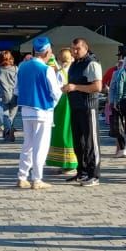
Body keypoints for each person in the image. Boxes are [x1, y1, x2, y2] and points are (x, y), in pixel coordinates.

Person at [16, 40, 63, 189]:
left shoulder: (22, 67)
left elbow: (16, 90)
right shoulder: (46, 69)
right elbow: (56, 92)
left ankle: (22, 176)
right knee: (40, 146)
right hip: (43, 110)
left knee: (27, 144)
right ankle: (37, 179)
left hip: (26, 110)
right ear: (47, 52)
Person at [64, 37, 103, 187]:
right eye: (72, 49)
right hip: (75, 106)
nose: (74, 52)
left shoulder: (92, 63)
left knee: (91, 142)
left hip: (88, 107)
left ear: (85, 48)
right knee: (78, 142)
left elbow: (97, 87)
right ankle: (82, 172)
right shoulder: (75, 64)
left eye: (77, 49)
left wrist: (75, 87)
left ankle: (94, 174)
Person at [48, 48, 78, 177]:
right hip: (70, 103)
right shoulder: (74, 71)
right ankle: (68, 164)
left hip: (62, 104)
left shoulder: (60, 72)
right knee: (69, 132)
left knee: (62, 132)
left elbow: (56, 91)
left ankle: (66, 163)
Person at [0, 50, 20, 142]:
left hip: (3, 95)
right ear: (10, 59)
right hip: (15, 94)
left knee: (5, 114)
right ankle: (9, 130)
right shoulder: (16, 69)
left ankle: (8, 131)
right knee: (12, 115)